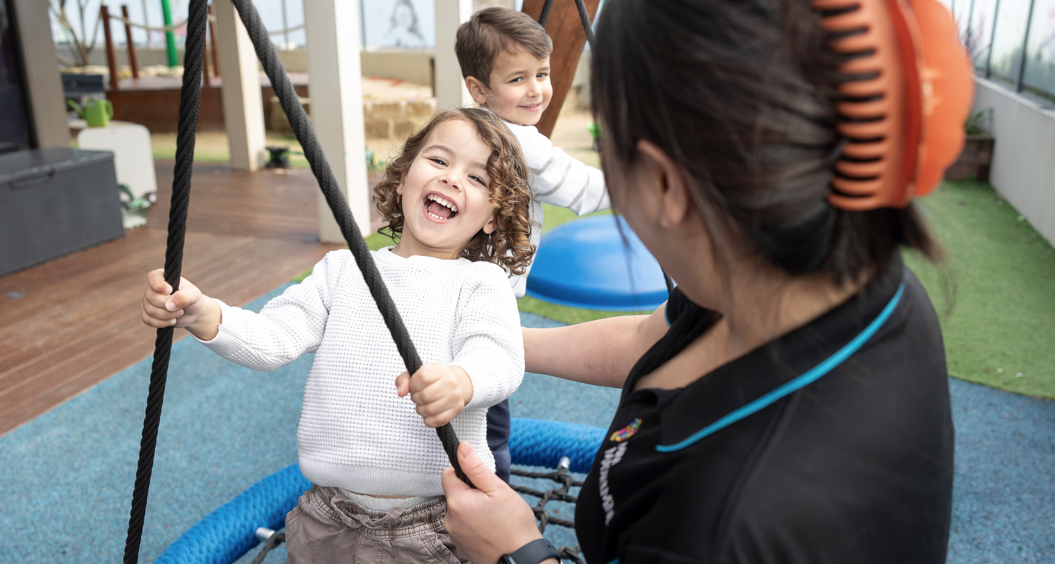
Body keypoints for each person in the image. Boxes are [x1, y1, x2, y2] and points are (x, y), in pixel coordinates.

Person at [440, 0, 973, 563]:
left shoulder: (716, 525)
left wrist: (517, 552)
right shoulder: (845, 274)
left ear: (666, 185)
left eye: (605, 143)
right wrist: (497, 346)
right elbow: (653, 341)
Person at [141, 108, 535, 563]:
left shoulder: (479, 282)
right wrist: (202, 312)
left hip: (429, 524)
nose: (451, 180)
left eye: (477, 179)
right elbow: (274, 338)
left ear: (491, 217)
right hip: (326, 514)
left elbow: (501, 356)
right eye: (440, 161)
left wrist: (462, 381)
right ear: (405, 175)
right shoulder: (343, 270)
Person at [455, 6, 612, 484]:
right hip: (488, 301)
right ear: (479, 89)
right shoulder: (524, 142)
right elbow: (585, 191)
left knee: (450, 401)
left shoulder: (463, 126)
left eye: (542, 74)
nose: (537, 89)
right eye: (517, 79)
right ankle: (492, 498)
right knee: (488, 407)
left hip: (448, 284)